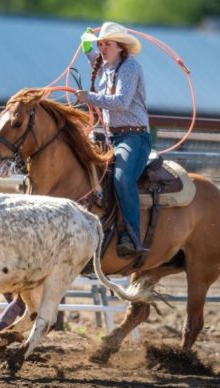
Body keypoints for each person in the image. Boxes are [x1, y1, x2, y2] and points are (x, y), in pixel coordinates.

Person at [77, 22, 151, 258]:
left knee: (122, 178)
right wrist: (87, 45)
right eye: (101, 44)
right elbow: (94, 60)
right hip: (113, 137)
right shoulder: (107, 67)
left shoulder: (130, 67)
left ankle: (132, 234)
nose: (102, 48)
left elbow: (121, 101)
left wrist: (88, 97)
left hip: (134, 136)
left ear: (120, 47)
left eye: (107, 44)